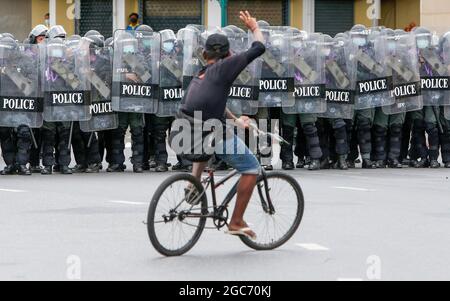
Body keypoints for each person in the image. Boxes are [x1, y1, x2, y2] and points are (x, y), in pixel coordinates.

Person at [177, 11, 265, 239]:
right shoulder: (224, 67)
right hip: (208, 132)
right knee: (251, 167)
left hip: (186, 131)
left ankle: (193, 184)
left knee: (208, 134)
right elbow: (258, 49)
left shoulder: (202, 73)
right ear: (228, 54)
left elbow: (213, 105)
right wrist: (254, 28)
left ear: (205, 53)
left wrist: (235, 120)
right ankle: (236, 221)